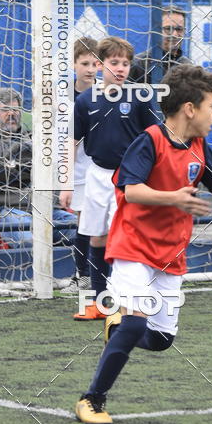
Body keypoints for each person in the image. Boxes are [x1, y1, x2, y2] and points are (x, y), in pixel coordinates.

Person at [74, 64, 212, 424]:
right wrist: (173, 198)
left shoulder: (201, 147)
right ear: (190, 108)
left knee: (161, 340)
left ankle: (117, 328)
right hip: (132, 245)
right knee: (137, 324)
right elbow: (130, 190)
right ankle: (92, 400)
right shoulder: (150, 140)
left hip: (170, 253)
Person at [72, 35, 159, 320]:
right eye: (114, 62)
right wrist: (65, 184)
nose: (121, 68)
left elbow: (154, 139)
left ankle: (134, 300)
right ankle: (100, 302)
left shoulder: (140, 97)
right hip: (98, 175)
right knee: (98, 237)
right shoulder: (85, 101)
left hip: (132, 178)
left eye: (126, 63)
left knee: (130, 238)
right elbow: (73, 142)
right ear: (100, 64)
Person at [0, 87, 73, 245]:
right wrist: (27, 170)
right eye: (5, 110)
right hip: (7, 210)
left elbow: (51, 170)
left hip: (47, 209)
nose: (11, 114)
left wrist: (12, 168)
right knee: (31, 243)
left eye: (15, 109)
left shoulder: (34, 139)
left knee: (83, 233)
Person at [58, 37, 100, 293]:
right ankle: (82, 275)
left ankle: (104, 275)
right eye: (84, 63)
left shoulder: (108, 92)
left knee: (108, 223)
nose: (90, 69)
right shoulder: (62, 97)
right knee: (84, 223)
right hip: (79, 170)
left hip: (103, 168)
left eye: (95, 63)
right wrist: (66, 178)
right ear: (73, 65)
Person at [128, 7, 191, 84]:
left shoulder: (187, 65)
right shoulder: (138, 64)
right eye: (168, 29)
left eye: (179, 29)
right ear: (157, 30)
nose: (174, 34)